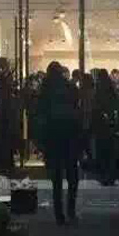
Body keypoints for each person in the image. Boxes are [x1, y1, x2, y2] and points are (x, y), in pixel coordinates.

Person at [37, 61, 81, 226]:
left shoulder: (45, 90)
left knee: (56, 179)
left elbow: (40, 115)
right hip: (69, 135)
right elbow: (76, 110)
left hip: (53, 137)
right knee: (72, 176)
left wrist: (41, 141)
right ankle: (71, 210)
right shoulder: (70, 88)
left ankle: (59, 214)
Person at [92, 69, 117, 184]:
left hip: (100, 124)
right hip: (110, 123)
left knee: (101, 150)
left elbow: (95, 105)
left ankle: (102, 175)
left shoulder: (98, 88)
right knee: (110, 151)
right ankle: (110, 175)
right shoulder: (111, 88)